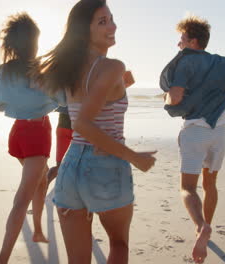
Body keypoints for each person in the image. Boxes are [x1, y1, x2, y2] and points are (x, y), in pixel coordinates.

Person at [32, 1, 156, 263]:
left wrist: (119, 85)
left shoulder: (69, 69)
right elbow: (82, 124)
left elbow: (83, 108)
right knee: (119, 244)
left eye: (111, 19)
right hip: (106, 166)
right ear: (83, 30)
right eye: (102, 21)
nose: (113, 26)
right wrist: (135, 158)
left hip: (70, 166)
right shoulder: (112, 67)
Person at [160, 15, 225, 263]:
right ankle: (207, 226)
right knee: (209, 184)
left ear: (192, 41)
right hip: (220, 134)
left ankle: (201, 226)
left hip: (194, 132)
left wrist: (167, 100)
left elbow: (176, 98)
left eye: (181, 40)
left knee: (187, 188)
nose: (178, 45)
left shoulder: (185, 63)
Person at [0, 13, 61, 264]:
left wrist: (19, 103)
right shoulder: (41, 68)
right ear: (33, 42)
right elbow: (61, 99)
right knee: (22, 199)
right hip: (37, 133)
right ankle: (2, 259)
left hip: (18, 133)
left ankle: (38, 230)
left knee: (41, 183)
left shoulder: (4, 70)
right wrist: (44, 101)